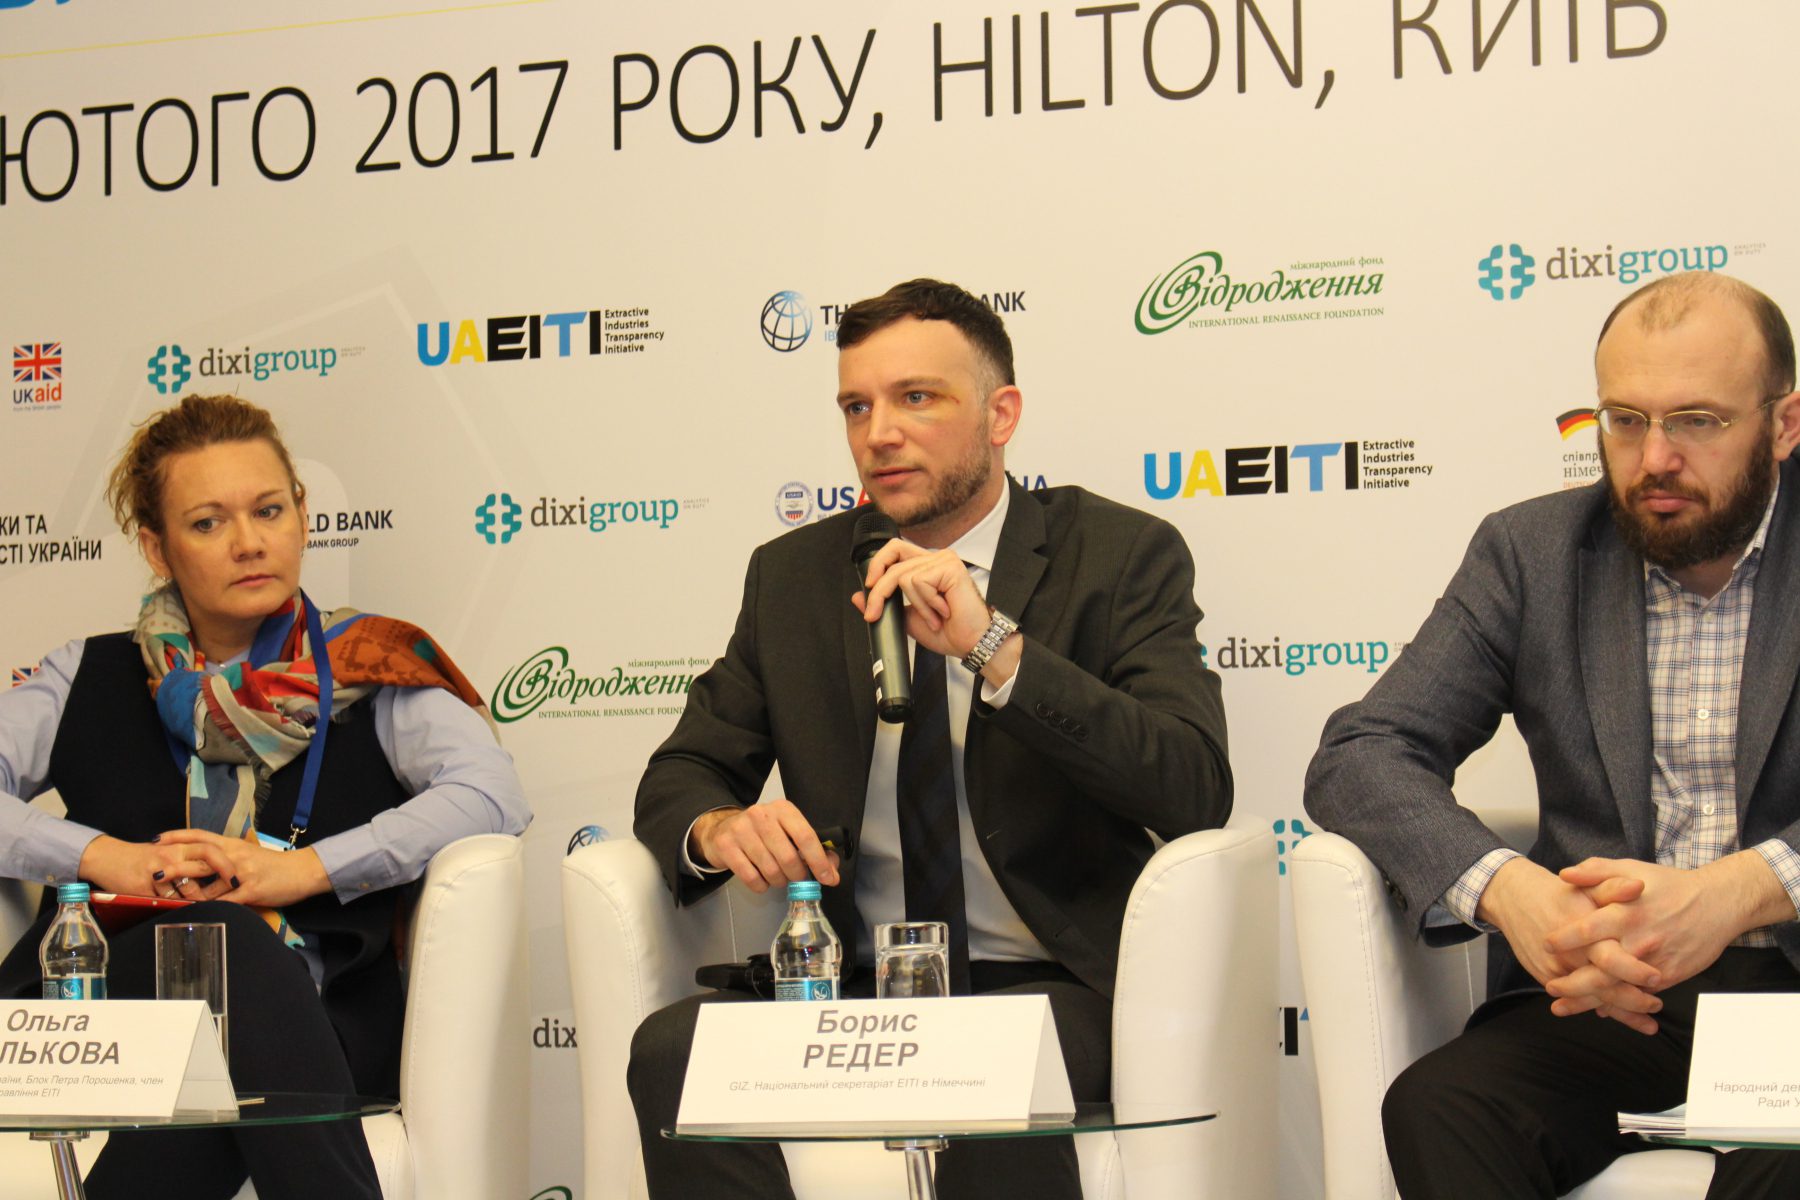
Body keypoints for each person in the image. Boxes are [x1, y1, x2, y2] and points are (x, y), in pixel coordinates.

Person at [627, 278, 1232, 1199]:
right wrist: (719, 826)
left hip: (1039, 984)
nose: (879, 434)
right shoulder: (792, 577)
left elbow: (1191, 784)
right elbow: (685, 769)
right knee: (671, 1052)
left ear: (1001, 415)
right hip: (850, 994)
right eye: (856, 407)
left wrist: (997, 650)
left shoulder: (1118, 557)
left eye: (917, 398)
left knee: (978, 1067)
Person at [1305, 271, 1800, 1199]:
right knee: (1443, 1106)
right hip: (1613, 999)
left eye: (1697, 421)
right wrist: (1512, 893)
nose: (1654, 458)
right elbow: (1363, 753)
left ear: (1784, 424)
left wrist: (1735, 894)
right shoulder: (1532, 552)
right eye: (1624, 420)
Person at [0, 393, 530, 1200]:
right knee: (218, 939)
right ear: (156, 546)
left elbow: (491, 792)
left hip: (313, 1019)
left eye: (269, 510)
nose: (249, 542)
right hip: (101, 1014)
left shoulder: (369, 663)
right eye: (208, 522)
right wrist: (103, 858)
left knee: (226, 1007)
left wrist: (305, 870)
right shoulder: (86, 672)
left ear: (302, 515)